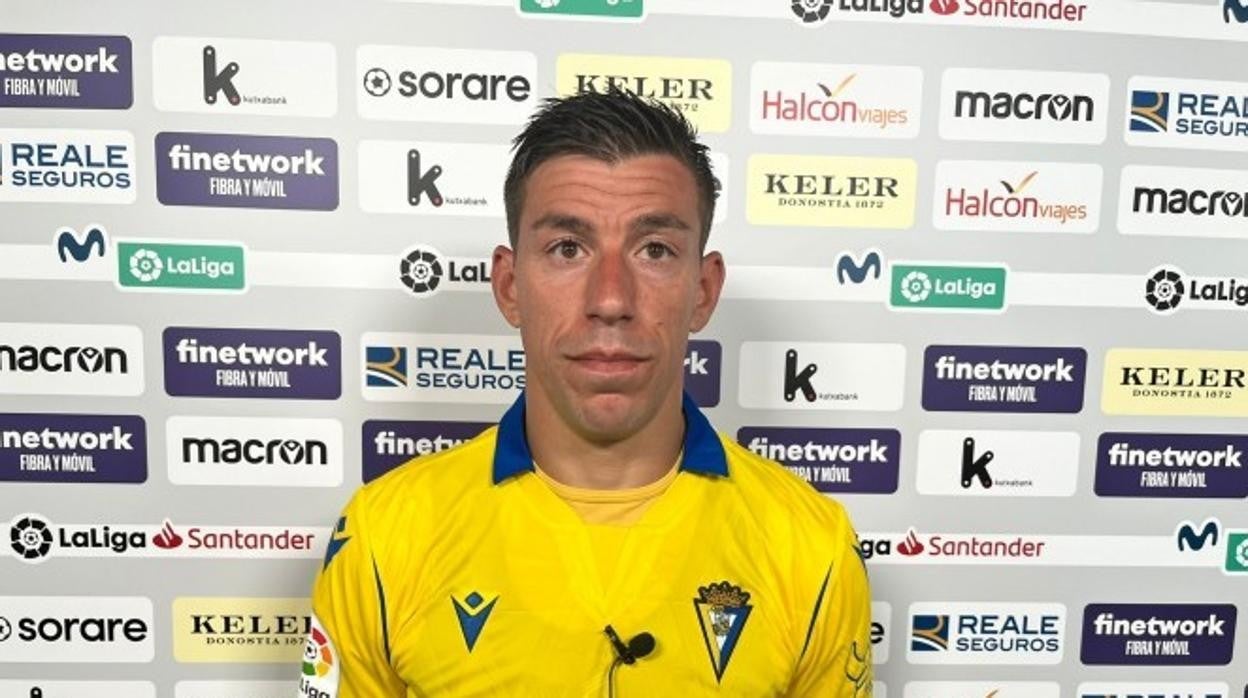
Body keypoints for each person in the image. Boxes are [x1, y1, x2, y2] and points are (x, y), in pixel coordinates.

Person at [300, 89, 873, 697]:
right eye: (567, 249)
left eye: (655, 250)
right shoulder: (385, 535)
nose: (611, 299)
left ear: (703, 291)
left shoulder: (811, 545)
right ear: (510, 286)